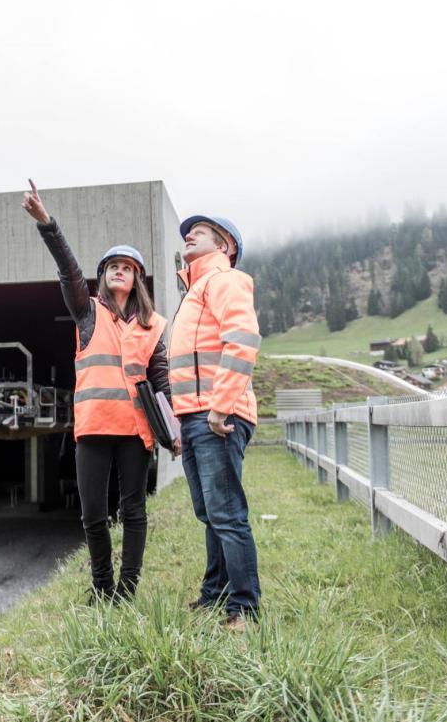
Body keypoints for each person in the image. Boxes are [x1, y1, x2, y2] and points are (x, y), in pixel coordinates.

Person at [22, 179, 178, 602]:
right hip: (92, 428)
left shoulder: (152, 326)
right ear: (104, 277)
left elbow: (162, 383)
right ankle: (102, 586)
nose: (119, 271)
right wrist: (48, 225)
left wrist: (173, 432)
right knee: (93, 514)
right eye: (112, 267)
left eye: (126, 267)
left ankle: (126, 591)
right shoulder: (87, 313)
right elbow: (68, 270)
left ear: (136, 277)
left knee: (133, 511)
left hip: (135, 431)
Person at [168, 214, 262, 628]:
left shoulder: (224, 280)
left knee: (226, 514)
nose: (190, 235)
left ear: (224, 247)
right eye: (189, 232)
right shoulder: (195, 291)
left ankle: (244, 608)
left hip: (216, 415)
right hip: (196, 415)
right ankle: (215, 594)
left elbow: (242, 340)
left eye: (201, 232)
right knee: (210, 513)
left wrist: (221, 406)